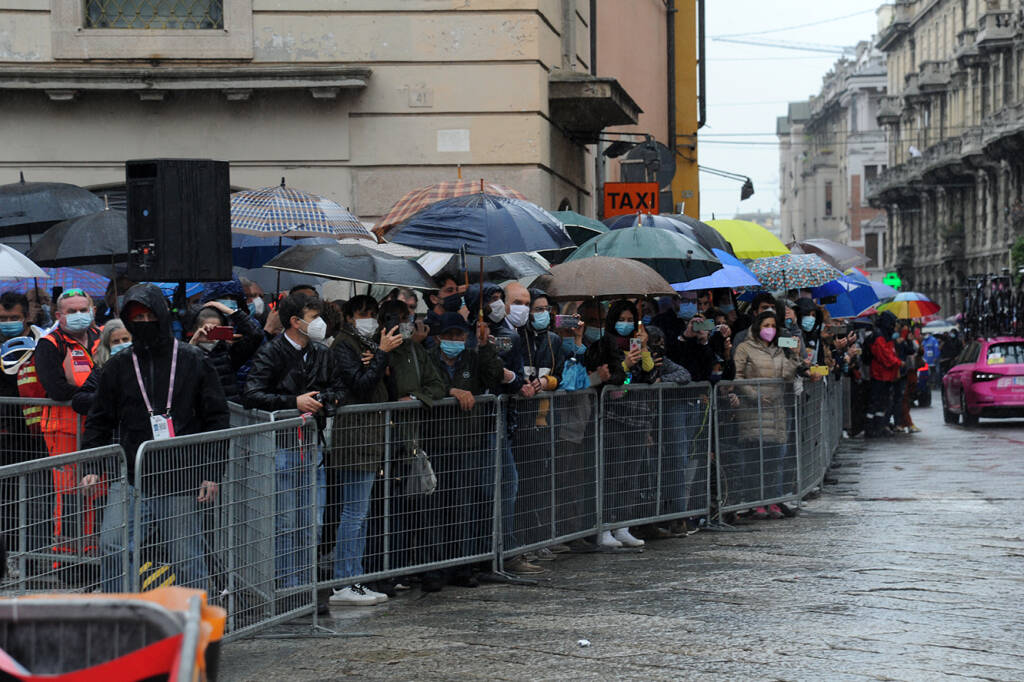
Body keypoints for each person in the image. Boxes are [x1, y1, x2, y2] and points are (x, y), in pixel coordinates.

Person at [81, 283, 230, 593]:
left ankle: (199, 619)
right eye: (136, 317)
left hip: (179, 475)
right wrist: (92, 466)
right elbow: (99, 418)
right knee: (112, 544)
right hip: (132, 474)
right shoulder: (118, 367)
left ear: (161, 316)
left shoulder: (193, 360)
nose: (143, 323)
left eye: (149, 316)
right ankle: (117, 614)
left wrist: (211, 474)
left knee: (185, 557)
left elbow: (217, 418)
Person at [242, 293, 347, 592]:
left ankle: (306, 584)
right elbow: (251, 393)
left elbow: (338, 387)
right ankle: (286, 584)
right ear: (295, 321)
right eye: (314, 317)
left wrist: (324, 400)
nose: (320, 323)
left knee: (311, 521)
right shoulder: (271, 352)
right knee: (285, 522)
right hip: (283, 447)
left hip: (312, 446)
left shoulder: (322, 353)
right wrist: (293, 402)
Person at [324, 295, 403, 606]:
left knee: (361, 512)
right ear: (348, 316)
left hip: (372, 435)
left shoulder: (370, 344)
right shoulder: (344, 344)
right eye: (362, 313)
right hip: (355, 435)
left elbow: (388, 389)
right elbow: (359, 384)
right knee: (353, 512)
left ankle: (354, 575)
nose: (368, 318)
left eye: (373, 313)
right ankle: (344, 579)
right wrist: (381, 354)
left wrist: (382, 359)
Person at [426, 312, 504, 588]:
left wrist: (485, 347)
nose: (455, 341)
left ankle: (462, 566)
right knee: (434, 510)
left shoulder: (472, 356)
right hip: (435, 442)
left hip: (467, 442)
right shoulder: (429, 358)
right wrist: (451, 390)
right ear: (439, 338)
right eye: (449, 336)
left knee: (463, 507)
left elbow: (494, 377)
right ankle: (433, 569)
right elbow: (425, 387)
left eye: (460, 336)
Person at [33, 288, 101, 555]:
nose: (78, 315)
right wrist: (102, 397)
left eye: (83, 310)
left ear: (92, 311)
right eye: (71, 311)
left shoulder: (103, 336)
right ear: (58, 315)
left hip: (98, 428)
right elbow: (57, 390)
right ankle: (66, 557)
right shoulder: (50, 344)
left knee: (97, 490)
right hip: (63, 430)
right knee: (69, 494)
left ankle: (94, 550)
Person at [584, 299, 655, 548]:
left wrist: (643, 348)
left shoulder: (637, 345)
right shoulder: (603, 346)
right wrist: (626, 366)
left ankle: (622, 525)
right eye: (620, 320)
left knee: (630, 474)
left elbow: (649, 374)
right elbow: (613, 382)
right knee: (612, 473)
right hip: (613, 417)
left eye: (629, 320)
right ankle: (604, 526)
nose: (624, 325)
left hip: (638, 417)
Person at [730, 311, 802, 520]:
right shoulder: (744, 348)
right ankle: (756, 502)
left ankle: (772, 501)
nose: (769, 329)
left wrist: (794, 354)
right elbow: (738, 375)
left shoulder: (780, 349)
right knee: (754, 460)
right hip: (754, 413)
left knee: (774, 460)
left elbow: (787, 376)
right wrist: (755, 395)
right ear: (757, 327)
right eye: (765, 325)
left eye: (773, 325)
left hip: (776, 412)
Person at [186, 300, 264, 402]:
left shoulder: (228, 353)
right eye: (207, 330)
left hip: (229, 409)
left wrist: (230, 311)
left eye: (217, 330)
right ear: (194, 330)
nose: (211, 336)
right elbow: (179, 375)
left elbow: (256, 335)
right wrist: (193, 343)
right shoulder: (185, 350)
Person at [71, 319, 132, 417]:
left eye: (125, 340)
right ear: (108, 345)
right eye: (116, 342)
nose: (121, 344)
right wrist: (107, 397)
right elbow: (79, 401)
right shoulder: (102, 370)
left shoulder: (145, 365)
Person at [865, 312, 900, 439]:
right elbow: (885, 356)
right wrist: (898, 363)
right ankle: (872, 428)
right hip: (879, 374)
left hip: (884, 375)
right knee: (876, 402)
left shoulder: (884, 335)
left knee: (881, 402)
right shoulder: (880, 336)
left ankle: (877, 427)